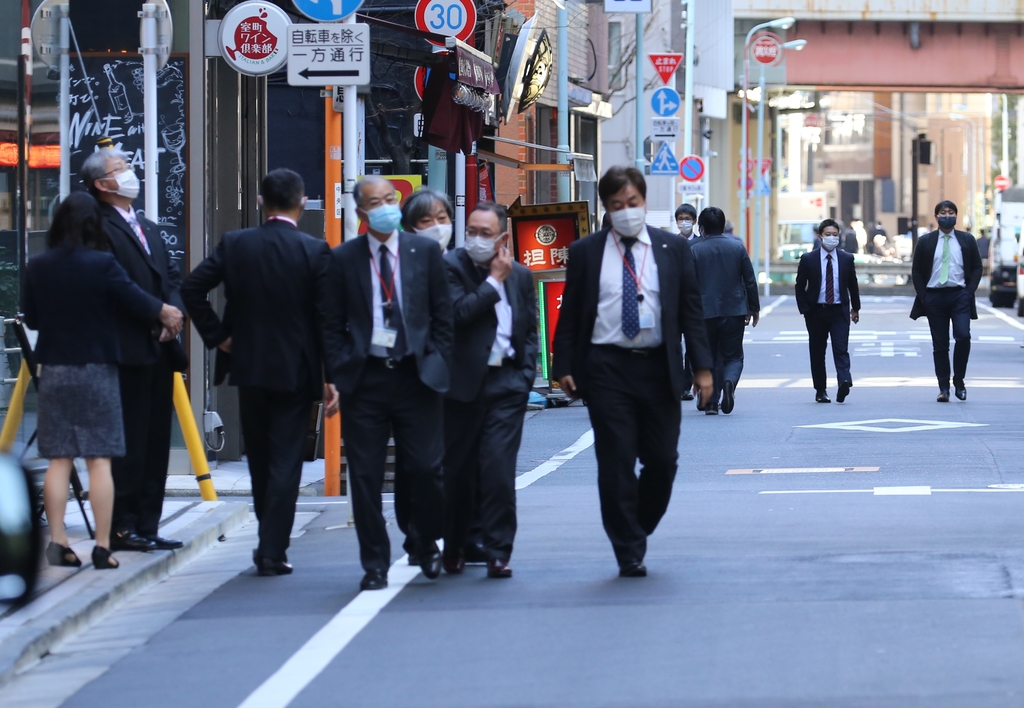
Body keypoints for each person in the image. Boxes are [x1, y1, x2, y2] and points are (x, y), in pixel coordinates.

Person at [552, 166, 713, 578]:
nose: (627, 211)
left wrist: (703, 368)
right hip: (606, 368)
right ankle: (627, 547)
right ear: (606, 208)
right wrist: (563, 366)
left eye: (633, 203)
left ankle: (637, 525)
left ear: (644, 202)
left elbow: (690, 312)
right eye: (617, 205)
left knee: (662, 460)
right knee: (616, 460)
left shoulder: (672, 249)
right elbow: (571, 313)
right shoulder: (588, 251)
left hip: (658, 367)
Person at [182, 169, 337, 576]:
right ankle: (272, 547)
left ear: (259, 201)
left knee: (260, 457)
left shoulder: (236, 244)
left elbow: (193, 289)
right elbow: (326, 319)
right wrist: (331, 375)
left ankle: (269, 540)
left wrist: (218, 336)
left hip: (248, 364)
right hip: (297, 370)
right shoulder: (314, 251)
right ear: (302, 203)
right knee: (286, 460)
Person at [23, 193, 183, 570]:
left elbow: (31, 318)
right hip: (98, 368)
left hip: (56, 369)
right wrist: (166, 312)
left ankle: (59, 541)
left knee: (59, 460)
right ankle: (101, 546)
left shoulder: (38, 265)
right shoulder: (102, 264)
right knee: (99, 461)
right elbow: (137, 301)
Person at [325, 175, 453, 591]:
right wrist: (339, 370)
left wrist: (439, 360)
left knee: (426, 469)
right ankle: (374, 564)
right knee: (364, 477)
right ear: (361, 212)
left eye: (389, 199)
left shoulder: (424, 251)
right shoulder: (344, 258)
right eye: (374, 202)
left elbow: (442, 314)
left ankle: (425, 539)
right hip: (366, 382)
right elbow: (330, 323)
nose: (384, 207)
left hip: (417, 378)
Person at [82, 147, 187, 553]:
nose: (130, 173)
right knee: (128, 440)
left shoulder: (147, 225)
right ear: (102, 184)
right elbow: (111, 284)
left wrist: (173, 312)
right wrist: (155, 313)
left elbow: (170, 275)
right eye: (120, 169)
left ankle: (149, 522)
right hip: (125, 347)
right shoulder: (97, 226)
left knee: (156, 438)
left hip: (160, 346)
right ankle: (122, 526)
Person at [440, 202, 538, 579]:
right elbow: (457, 314)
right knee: (459, 473)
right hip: (462, 386)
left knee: (498, 470)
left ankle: (498, 551)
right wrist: (493, 281)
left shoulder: (522, 275)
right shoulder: (450, 267)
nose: (476, 239)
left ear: (503, 238)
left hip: (506, 385)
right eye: (472, 231)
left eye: (485, 233)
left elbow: (529, 329)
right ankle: (455, 545)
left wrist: (525, 374)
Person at [910, 200, 983, 402]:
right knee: (940, 344)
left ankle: (959, 380)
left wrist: (969, 291)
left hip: (960, 295)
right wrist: (923, 295)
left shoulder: (967, 240)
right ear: (936, 217)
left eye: (951, 212)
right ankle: (944, 387)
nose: (947, 215)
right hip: (934, 297)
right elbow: (916, 271)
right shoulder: (926, 241)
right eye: (943, 212)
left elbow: (977, 267)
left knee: (963, 336)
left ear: (956, 216)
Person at [690, 207, 760, 415]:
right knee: (733, 356)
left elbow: (688, 284)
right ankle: (729, 382)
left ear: (701, 228)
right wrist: (753, 308)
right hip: (734, 310)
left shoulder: (694, 250)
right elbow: (749, 279)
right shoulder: (737, 248)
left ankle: (711, 402)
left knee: (708, 356)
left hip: (704, 312)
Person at [795, 218, 861, 403]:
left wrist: (855, 308)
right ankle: (820, 390)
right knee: (817, 352)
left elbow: (852, 285)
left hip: (839, 311)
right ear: (820, 236)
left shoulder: (846, 258)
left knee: (841, 348)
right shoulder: (809, 259)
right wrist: (805, 309)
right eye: (827, 235)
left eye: (834, 235)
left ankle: (844, 381)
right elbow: (800, 286)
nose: (831, 238)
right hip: (816, 311)